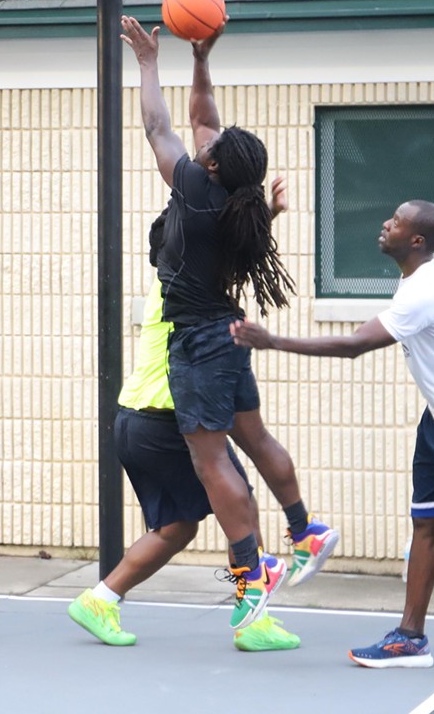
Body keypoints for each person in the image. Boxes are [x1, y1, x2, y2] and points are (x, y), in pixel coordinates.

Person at [231, 200, 434, 681]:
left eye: (397, 221)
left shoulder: (425, 288)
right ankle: (410, 636)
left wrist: (274, 341)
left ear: (417, 241)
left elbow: (355, 345)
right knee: (425, 523)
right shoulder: (417, 272)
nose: (386, 224)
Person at [119, 15, 336, 631]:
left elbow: (161, 123)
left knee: (212, 460)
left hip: (200, 344)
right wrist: (201, 61)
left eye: (210, 148)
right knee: (256, 439)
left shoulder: (194, 189)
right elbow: (203, 121)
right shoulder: (244, 209)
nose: (205, 142)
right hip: (230, 335)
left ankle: (251, 570)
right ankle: (304, 529)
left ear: (211, 167)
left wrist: (150, 62)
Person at [68, 208, 300, 653]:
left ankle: (99, 600)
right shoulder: (186, 294)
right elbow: (227, 259)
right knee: (243, 505)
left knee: (177, 528)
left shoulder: (174, 285)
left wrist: (264, 215)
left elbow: (228, 255)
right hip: (163, 422)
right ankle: (254, 621)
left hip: (137, 421)